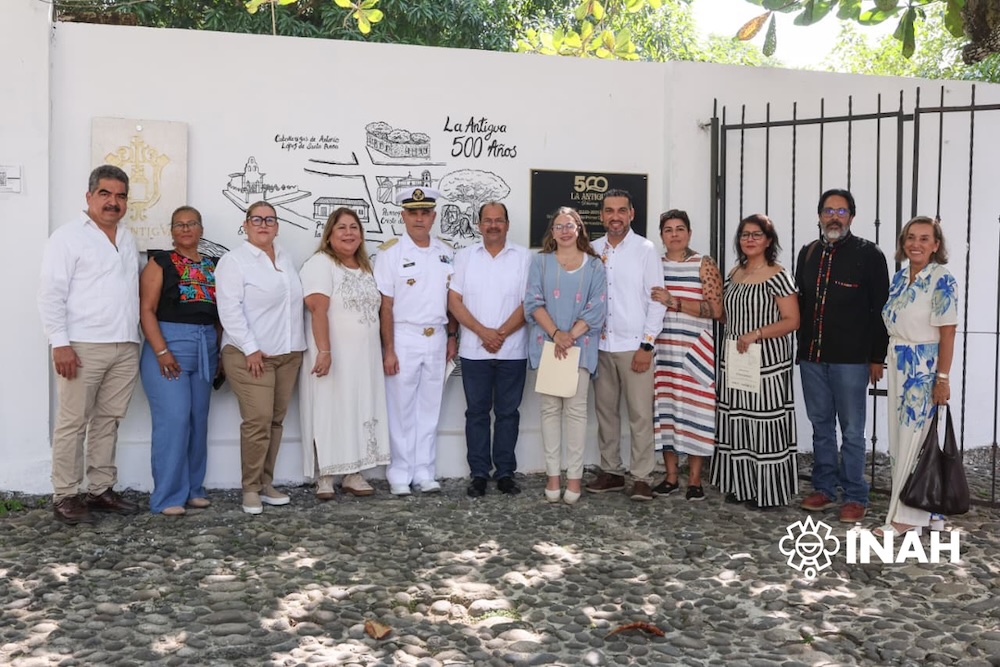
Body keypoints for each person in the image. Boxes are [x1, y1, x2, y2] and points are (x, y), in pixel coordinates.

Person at [38, 164, 141, 524]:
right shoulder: (67, 237)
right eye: (105, 194)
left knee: (108, 421)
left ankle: (100, 489)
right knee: (72, 423)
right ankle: (65, 494)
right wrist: (60, 343)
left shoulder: (127, 237)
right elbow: (51, 293)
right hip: (82, 345)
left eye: (120, 196)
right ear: (89, 196)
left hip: (126, 344)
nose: (113, 202)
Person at [796, 189, 889, 524]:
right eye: (828, 210)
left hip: (852, 359)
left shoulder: (869, 254)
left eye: (841, 210)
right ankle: (823, 488)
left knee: (852, 430)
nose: (834, 216)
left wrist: (877, 357)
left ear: (851, 215)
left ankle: (854, 495)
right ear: (819, 215)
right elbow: (802, 302)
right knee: (821, 426)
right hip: (812, 356)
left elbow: (881, 309)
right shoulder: (807, 253)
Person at [216, 201, 305, 515]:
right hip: (249, 354)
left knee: (275, 421)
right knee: (257, 422)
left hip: (287, 353)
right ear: (246, 224)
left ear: (277, 226)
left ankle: (266, 483)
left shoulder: (285, 257)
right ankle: (250, 488)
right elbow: (229, 309)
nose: (264, 224)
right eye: (257, 219)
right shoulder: (235, 261)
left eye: (270, 219)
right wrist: (251, 347)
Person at [299, 207, 390, 500]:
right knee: (329, 408)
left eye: (354, 227)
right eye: (342, 228)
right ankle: (325, 475)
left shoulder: (366, 268)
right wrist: (324, 350)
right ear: (329, 234)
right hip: (333, 353)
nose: (349, 233)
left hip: (364, 357)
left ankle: (354, 471)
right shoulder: (321, 263)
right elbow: (317, 309)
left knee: (360, 406)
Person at [712, 214, 800, 509]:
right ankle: (741, 485)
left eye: (756, 234)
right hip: (736, 359)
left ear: (769, 240)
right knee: (737, 420)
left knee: (765, 424)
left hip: (768, 362)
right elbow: (726, 314)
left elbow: (792, 320)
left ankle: (768, 492)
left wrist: (757, 333)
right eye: (744, 234)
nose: (749, 239)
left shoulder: (779, 274)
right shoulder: (734, 273)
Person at [374, 187, 458, 496]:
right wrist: (389, 348)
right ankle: (399, 472)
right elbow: (385, 305)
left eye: (425, 213)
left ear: (433, 216)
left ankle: (424, 470)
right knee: (401, 407)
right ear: (403, 216)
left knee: (429, 407)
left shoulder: (446, 253)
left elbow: (452, 301)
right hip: (404, 336)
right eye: (413, 212)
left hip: (436, 337)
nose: (419, 218)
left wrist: (451, 336)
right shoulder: (390, 253)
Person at [585, 189, 666, 501]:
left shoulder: (645, 249)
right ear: (602, 215)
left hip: (635, 347)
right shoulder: (592, 249)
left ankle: (642, 476)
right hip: (600, 345)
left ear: (631, 213)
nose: (615, 216)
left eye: (621, 210)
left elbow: (657, 300)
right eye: (609, 210)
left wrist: (647, 345)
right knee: (605, 412)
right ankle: (612, 471)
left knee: (640, 415)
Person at [139, 206, 219, 516]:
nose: (185, 229)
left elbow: (220, 313)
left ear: (201, 229)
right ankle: (167, 496)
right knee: (173, 420)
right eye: (179, 225)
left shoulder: (214, 265)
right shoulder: (159, 263)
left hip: (206, 347)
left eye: (192, 224)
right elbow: (146, 309)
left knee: (197, 420)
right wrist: (161, 350)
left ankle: (193, 489)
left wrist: (220, 350)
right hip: (168, 346)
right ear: (172, 231)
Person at [880, 216, 957, 535]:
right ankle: (930, 511)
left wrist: (942, 377)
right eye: (911, 237)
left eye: (925, 238)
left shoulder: (942, 279)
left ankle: (904, 518)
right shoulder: (899, 278)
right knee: (903, 440)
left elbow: (948, 332)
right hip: (899, 360)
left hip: (924, 367)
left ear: (936, 245)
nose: (916, 243)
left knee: (915, 438)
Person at [449, 201, 532, 497]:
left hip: (513, 351)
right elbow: (454, 301)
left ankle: (506, 472)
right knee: (477, 413)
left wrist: (501, 333)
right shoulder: (464, 257)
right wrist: (484, 333)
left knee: (509, 413)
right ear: (479, 225)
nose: (493, 225)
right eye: (488, 220)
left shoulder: (524, 257)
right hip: (474, 349)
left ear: (507, 225)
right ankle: (479, 474)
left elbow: (528, 303)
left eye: (499, 220)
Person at [524, 207, 607, 505]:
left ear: (580, 228)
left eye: (570, 225)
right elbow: (533, 301)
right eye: (558, 226)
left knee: (575, 412)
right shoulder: (541, 263)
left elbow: (597, 308)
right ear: (552, 232)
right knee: (549, 411)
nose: (565, 230)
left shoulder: (595, 266)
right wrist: (557, 334)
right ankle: (552, 476)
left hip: (580, 349)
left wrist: (571, 335)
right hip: (547, 346)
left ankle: (574, 476)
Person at [650, 210, 724, 501]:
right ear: (662, 235)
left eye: (680, 228)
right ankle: (670, 477)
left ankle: (694, 480)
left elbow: (716, 310)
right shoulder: (655, 265)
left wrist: (675, 302)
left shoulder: (703, 264)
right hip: (664, 347)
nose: (675, 234)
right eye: (668, 230)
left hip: (695, 349)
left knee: (695, 412)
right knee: (665, 412)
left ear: (689, 233)